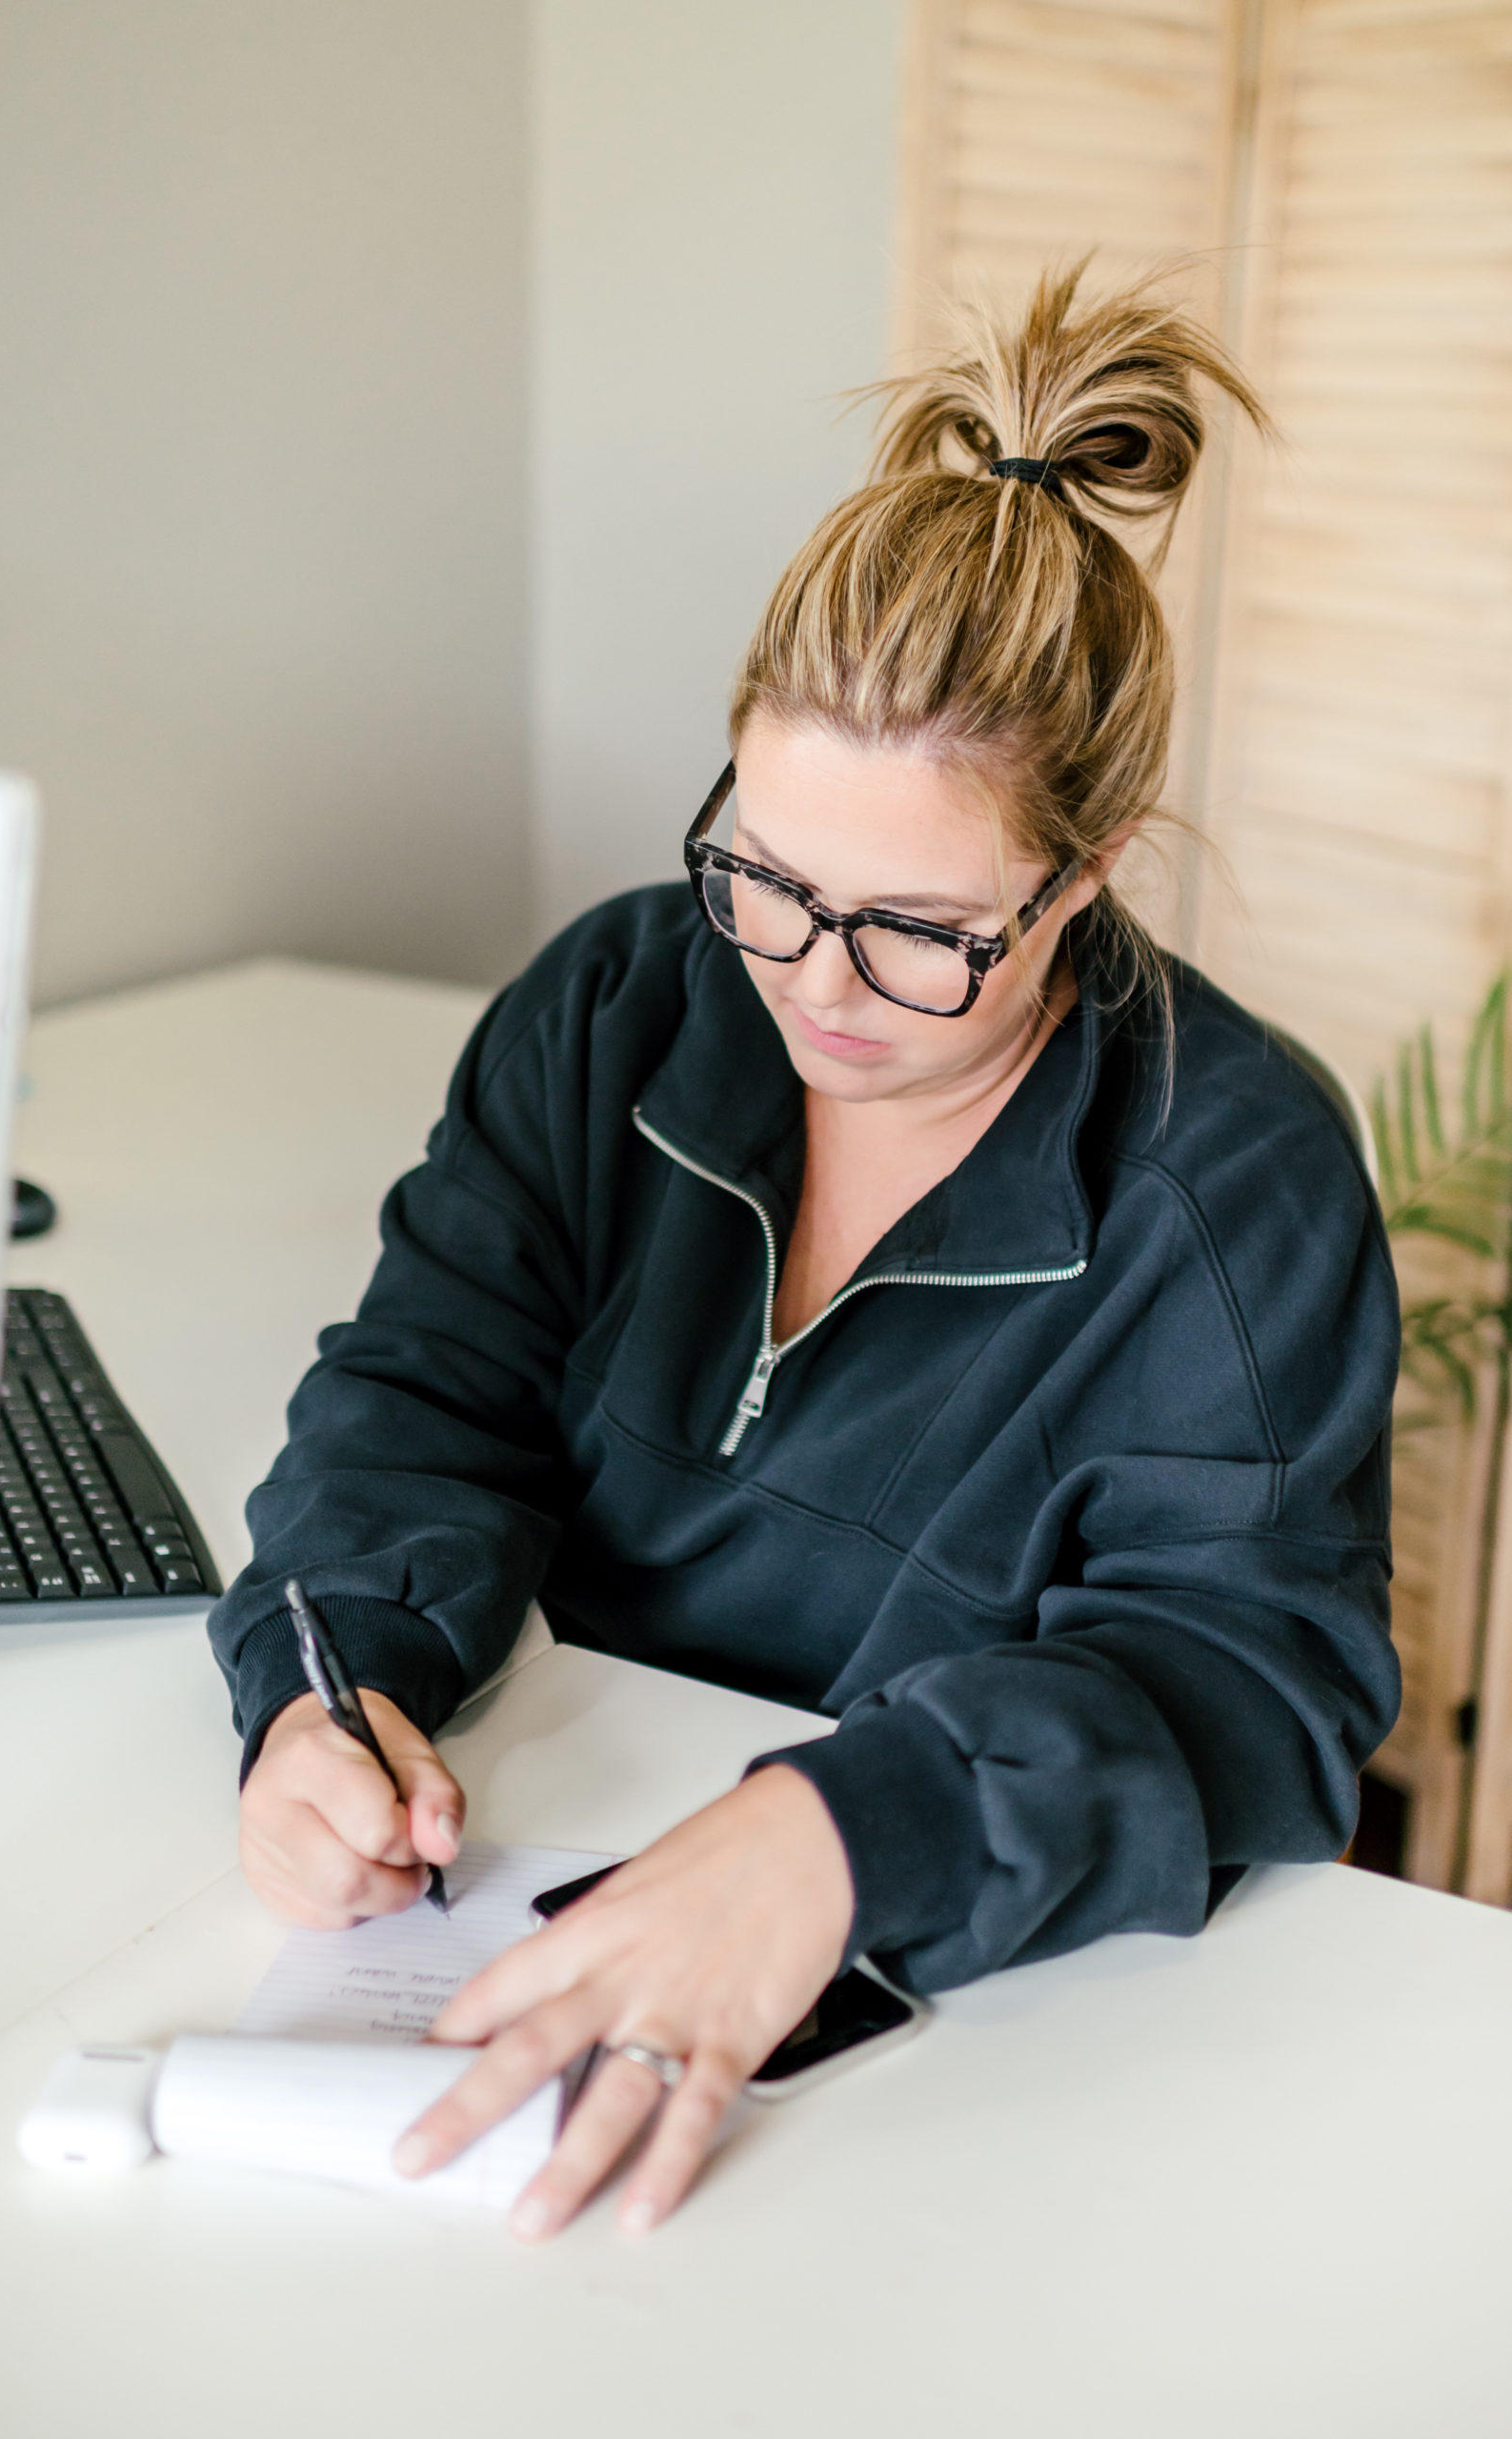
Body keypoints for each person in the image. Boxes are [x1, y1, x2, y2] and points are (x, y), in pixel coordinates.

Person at [209, 268, 1401, 2243]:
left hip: (955, 2033)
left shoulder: (1239, 1181)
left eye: (919, 928)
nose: (813, 987)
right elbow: (420, 1386)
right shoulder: (617, 1001)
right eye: (765, 873)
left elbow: (1251, 1679)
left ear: (1086, 874)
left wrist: (853, 1832)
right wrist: (324, 1686)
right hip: (498, 1867)